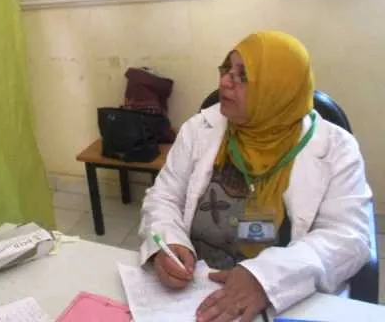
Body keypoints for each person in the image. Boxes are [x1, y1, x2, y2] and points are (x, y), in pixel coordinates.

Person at [139, 31, 372, 322]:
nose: (225, 82)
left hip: (284, 299)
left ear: (278, 88)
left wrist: (264, 278)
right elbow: (164, 196)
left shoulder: (336, 148)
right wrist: (169, 243)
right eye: (226, 69)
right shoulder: (199, 129)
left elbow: (348, 237)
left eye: (243, 76)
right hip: (195, 293)